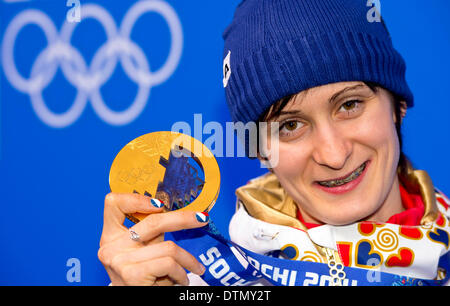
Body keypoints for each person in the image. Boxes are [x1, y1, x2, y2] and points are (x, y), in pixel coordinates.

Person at [98, 0, 450, 286]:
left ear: (398, 105)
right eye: (291, 125)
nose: (333, 154)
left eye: (349, 105)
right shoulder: (202, 282)